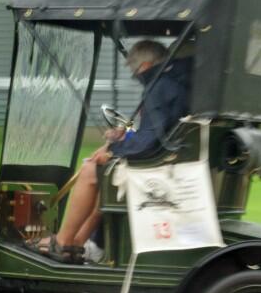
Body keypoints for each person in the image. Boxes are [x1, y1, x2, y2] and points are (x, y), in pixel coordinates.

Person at [43, 39, 190, 263]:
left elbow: (150, 141)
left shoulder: (160, 88)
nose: (135, 74)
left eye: (135, 69)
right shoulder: (175, 83)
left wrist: (113, 151)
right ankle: (80, 242)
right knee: (103, 167)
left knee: (90, 169)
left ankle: (64, 240)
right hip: (170, 157)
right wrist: (125, 137)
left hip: (158, 162)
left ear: (146, 65)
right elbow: (157, 133)